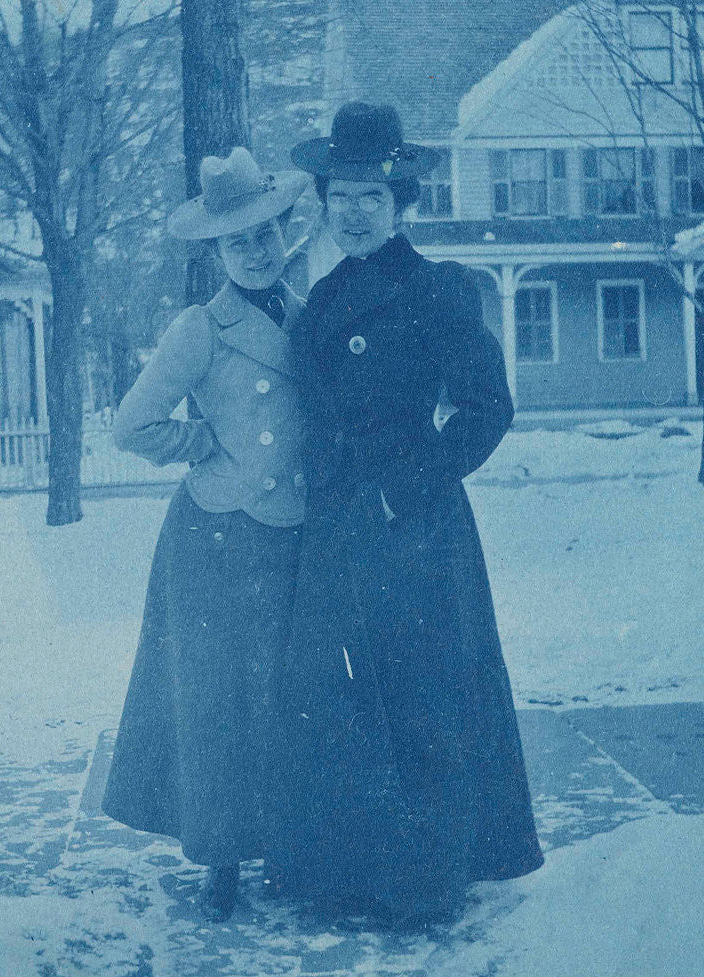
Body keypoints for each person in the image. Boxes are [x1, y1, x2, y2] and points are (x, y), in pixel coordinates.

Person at [271, 103, 544, 925]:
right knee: (344, 700)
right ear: (323, 199)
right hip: (333, 530)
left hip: (412, 527)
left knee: (424, 699)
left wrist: (403, 489)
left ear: (401, 202)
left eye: (372, 196)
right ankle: (353, 874)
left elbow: (487, 407)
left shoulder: (435, 288)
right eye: (342, 194)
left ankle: (426, 883)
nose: (355, 211)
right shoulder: (321, 296)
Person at [102, 147, 310, 922]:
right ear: (216, 251)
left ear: (284, 231)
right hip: (216, 537)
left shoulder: (310, 309)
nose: (255, 251)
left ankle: (286, 846)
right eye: (237, 242)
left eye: (265, 234)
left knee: (285, 694)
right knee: (217, 701)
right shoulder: (201, 326)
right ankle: (221, 859)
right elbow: (131, 423)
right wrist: (201, 447)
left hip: (291, 533)